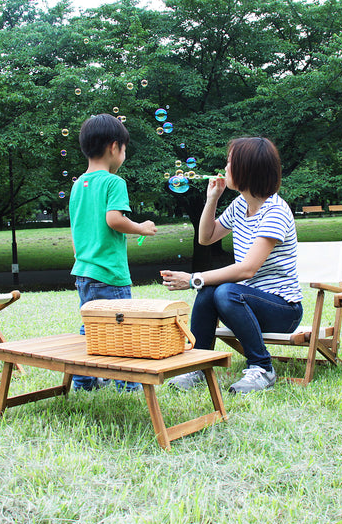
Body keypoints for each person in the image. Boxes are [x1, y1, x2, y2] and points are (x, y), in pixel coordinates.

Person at [160, 137, 302, 394]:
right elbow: (206, 237)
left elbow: (248, 269)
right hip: (245, 303)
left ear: (247, 169)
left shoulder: (275, 211)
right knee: (210, 291)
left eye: (229, 163)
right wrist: (212, 198)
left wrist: (193, 278)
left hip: (282, 309)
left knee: (223, 290)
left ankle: (262, 368)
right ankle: (198, 366)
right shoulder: (240, 206)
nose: (224, 168)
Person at [69, 113, 157, 391]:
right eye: (125, 149)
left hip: (83, 271)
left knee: (91, 327)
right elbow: (114, 220)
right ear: (114, 147)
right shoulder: (113, 182)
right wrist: (141, 227)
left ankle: (84, 380)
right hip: (109, 273)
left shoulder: (77, 185)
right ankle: (127, 384)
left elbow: (77, 231)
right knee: (122, 327)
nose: (125, 155)